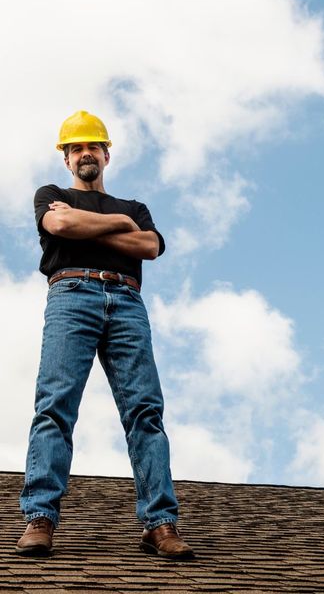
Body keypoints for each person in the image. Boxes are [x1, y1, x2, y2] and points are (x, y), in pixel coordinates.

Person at [16, 110, 193, 560]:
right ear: (67, 159)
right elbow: (58, 226)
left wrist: (92, 224)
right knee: (55, 406)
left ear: (106, 154)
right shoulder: (52, 196)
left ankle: (160, 525)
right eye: (76, 148)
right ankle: (39, 519)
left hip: (127, 300)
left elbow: (150, 246)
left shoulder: (134, 207)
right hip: (71, 293)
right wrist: (119, 227)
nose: (85, 153)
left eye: (92, 146)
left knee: (145, 413)